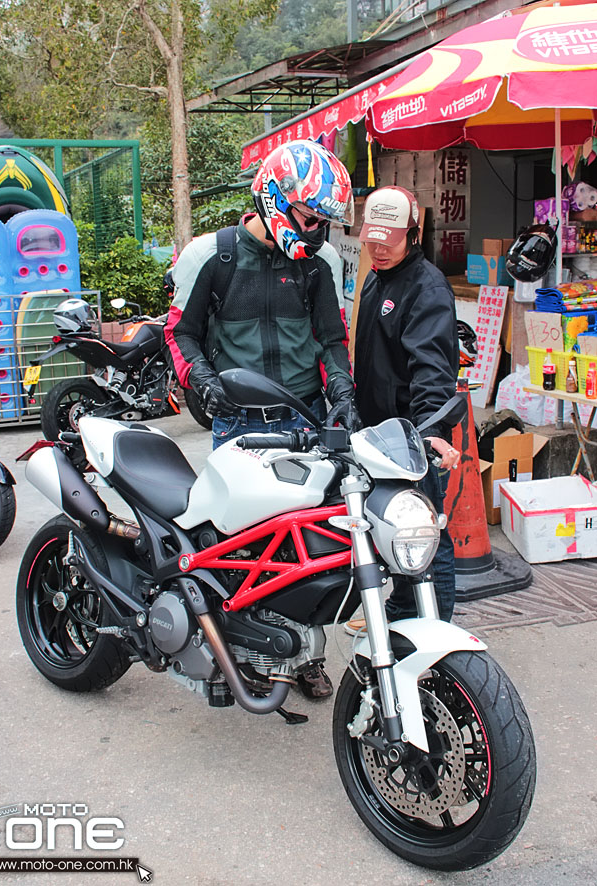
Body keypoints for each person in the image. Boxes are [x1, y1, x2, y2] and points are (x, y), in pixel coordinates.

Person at [165, 139, 361, 698]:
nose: (319, 231)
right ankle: (233, 655)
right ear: (274, 197)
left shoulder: (318, 264)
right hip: (239, 423)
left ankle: (305, 657)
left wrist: (342, 392)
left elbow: (331, 340)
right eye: (310, 216)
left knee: (313, 545)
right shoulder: (211, 255)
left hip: (306, 419)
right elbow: (181, 332)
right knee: (234, 544)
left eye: (326, 220)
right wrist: (201, 382)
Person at [346, 185, 459, 633]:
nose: (378, 249)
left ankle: (435, 634)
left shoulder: (427, 287)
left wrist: (429, 432)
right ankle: (399, 614)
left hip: (414, 439)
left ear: (412, 233)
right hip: (379, 436)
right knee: (389, 532)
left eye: (387, 241)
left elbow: (432, 368)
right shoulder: (377, 276)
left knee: (427, 537)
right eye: (371, 240)